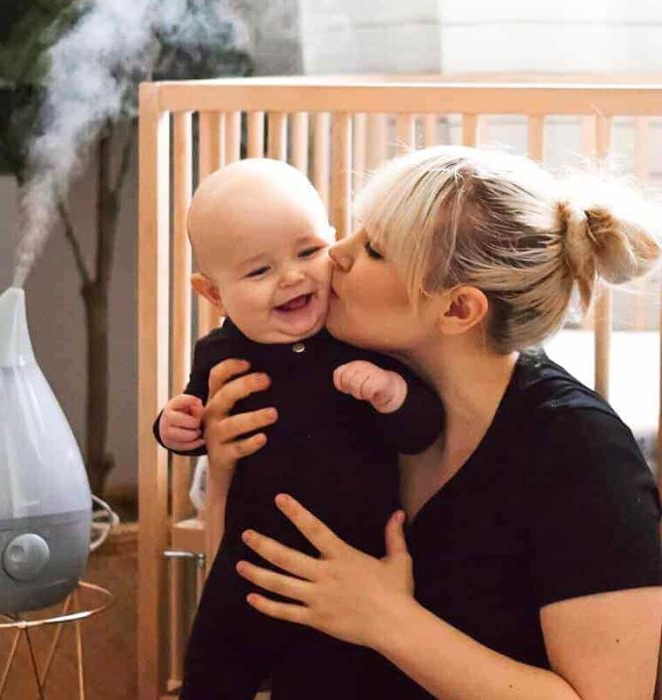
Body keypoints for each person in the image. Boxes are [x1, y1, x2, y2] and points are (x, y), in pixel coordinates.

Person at [200, 146, 662, 698]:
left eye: (373, 249)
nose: (334, 256)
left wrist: (388, 621)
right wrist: (225, 467)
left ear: (457, 310)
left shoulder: (579, 453)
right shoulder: (340, 383)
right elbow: (246, 574)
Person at [152, 158, 445, 698]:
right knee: (212, 670)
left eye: (308, 251)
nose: (292, 277)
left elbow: (422, 428)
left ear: (333, 244)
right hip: (249, 566)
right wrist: (176, 424)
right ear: (213, 294)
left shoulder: (359, 337)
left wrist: (391, 393)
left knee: (325, 680)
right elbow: (193, 414)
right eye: (259, 271)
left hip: (352, 569)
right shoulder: (221, 351)